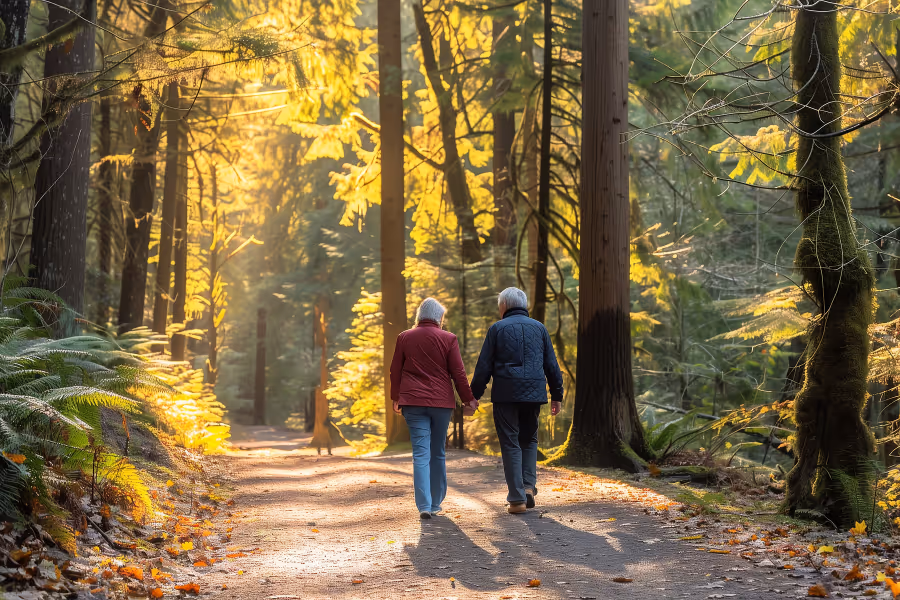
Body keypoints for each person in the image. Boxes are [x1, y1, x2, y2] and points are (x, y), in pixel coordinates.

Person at [471, 287, 563, 514]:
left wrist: (473, 396)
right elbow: (551, 364)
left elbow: (484, 367)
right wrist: (556, 395)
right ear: (524, 305)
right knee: (529, 440)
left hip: (506, 393)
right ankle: (529, 486)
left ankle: (517, 499)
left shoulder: (496, 329)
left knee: (510, 442)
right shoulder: (539, 328)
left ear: (503, 306)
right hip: (534, 392)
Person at [390, 298, 478, 519]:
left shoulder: (404, 337)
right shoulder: (449, 338)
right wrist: (468, 399)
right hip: (441, 403)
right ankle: (436, 503)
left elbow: (395, 370)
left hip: (412, 402)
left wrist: (395, 397)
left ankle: (424, 506)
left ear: (419, 316)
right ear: (440, 318)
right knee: (437, 453)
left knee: (420, 454)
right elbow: (458, 373)